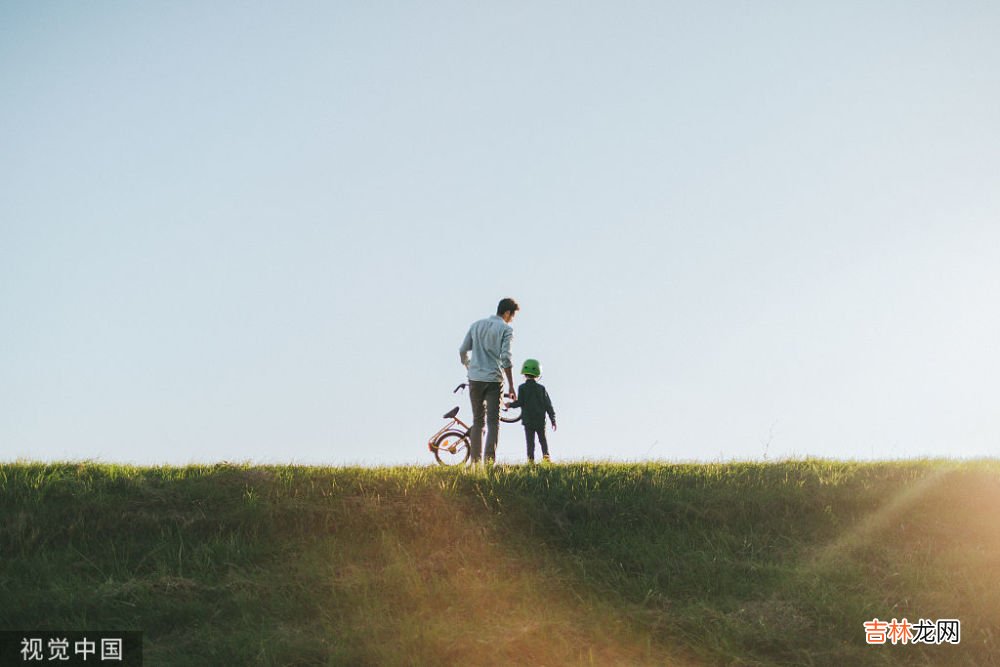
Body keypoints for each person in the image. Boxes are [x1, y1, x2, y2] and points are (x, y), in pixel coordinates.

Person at [459, 298, 519, 464]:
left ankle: (475, 463)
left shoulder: (476, 325)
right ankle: (489, 462)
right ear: (507, 313)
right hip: (494, 380)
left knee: (478, 421)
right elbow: (506, 358)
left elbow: (463, 350)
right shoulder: (506, 329)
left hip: (475, 379)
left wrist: (469, 365)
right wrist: (512, 385)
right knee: (493, 422)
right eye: (512, 316)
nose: (512, 319)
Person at [507, 358, 557, 463]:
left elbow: (520, 402)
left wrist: (509, 405)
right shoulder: (541, 389)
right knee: (543, 441)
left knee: (530, 443)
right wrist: (553, 420)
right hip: (540, 420)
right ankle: (547, 459)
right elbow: (548, 405)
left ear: (524, 374)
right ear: (538, 374)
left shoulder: (522, 388)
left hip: (528, 421)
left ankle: (531, 462)